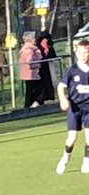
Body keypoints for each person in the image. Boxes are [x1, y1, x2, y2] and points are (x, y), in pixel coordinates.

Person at [56, 38, 89, 174]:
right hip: (75, 108)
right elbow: (60, 86)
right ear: (76, 53)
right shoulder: (72, 71)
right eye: (80, 52)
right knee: (72, 138)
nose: (83, 55)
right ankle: (66, 157)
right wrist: (63, 99)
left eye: (86, 52)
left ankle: (86, 161)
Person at [20, 32, 43, 108]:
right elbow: (30, 62)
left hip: (32, 74)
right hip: (30, 74)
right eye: (33, 38)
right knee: (35, 91)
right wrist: (38, 65)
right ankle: (29, 106)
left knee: (32, 91)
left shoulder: (31, 49)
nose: (35, 40)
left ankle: (31, 105)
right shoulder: (29, 50)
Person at [38, 32, 58, 104]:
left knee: (50, 81)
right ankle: (41, 98)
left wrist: (49, 48)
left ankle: (50, 96)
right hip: (41, 68)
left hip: (49, 66)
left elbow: (53, 55)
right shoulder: (38, 48)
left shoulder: (49, 47)